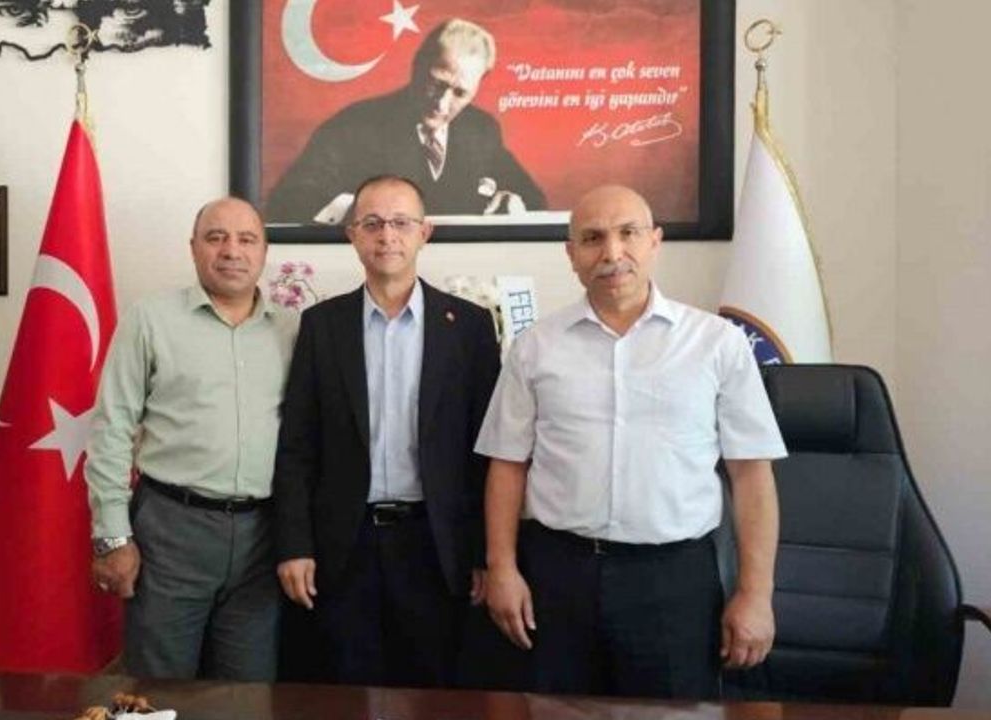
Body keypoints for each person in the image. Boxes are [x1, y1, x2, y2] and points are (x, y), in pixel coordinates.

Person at [476, 185, 786, 699]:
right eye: (593, 238)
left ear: (655, 242)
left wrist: (756, 593)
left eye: (628, 233)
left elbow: (751, 475)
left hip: (674, 580)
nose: (612, 252)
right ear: (571, 253)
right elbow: (507, 465)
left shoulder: (717, 343)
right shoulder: (535, 348)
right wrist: (502, 568)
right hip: (557, 575)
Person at [273, 175, 501, 687]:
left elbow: (486, 455)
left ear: (425, 232)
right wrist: (294, 544)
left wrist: (485, 554)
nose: (387, 235)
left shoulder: (468, 327)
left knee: (434, 694)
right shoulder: (322, 325)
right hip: (343, 545)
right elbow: (297, 447)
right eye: (372, 223)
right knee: (343, 692)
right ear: (352, 234)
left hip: (436, 546)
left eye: (401, 222)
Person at [86, 197, 298, 681]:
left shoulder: (291, 330)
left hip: (262, 539)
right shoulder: (150, 319)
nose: (232, 251)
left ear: (264, 252)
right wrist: (112, 536)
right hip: (170, 531)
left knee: (247, 696)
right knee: (159, 690)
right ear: (193, 247)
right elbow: (112, 428)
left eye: (247, 239)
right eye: (216, 237)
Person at [267, 18, 546, 224]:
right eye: (437, 83)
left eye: (460, 93)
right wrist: (363, 213)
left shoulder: (481, 130)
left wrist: (514, 202)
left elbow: (534, 200)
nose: (442, 103)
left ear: (477, 88)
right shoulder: (354, 125)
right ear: (417, 67)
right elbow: (289, 199)